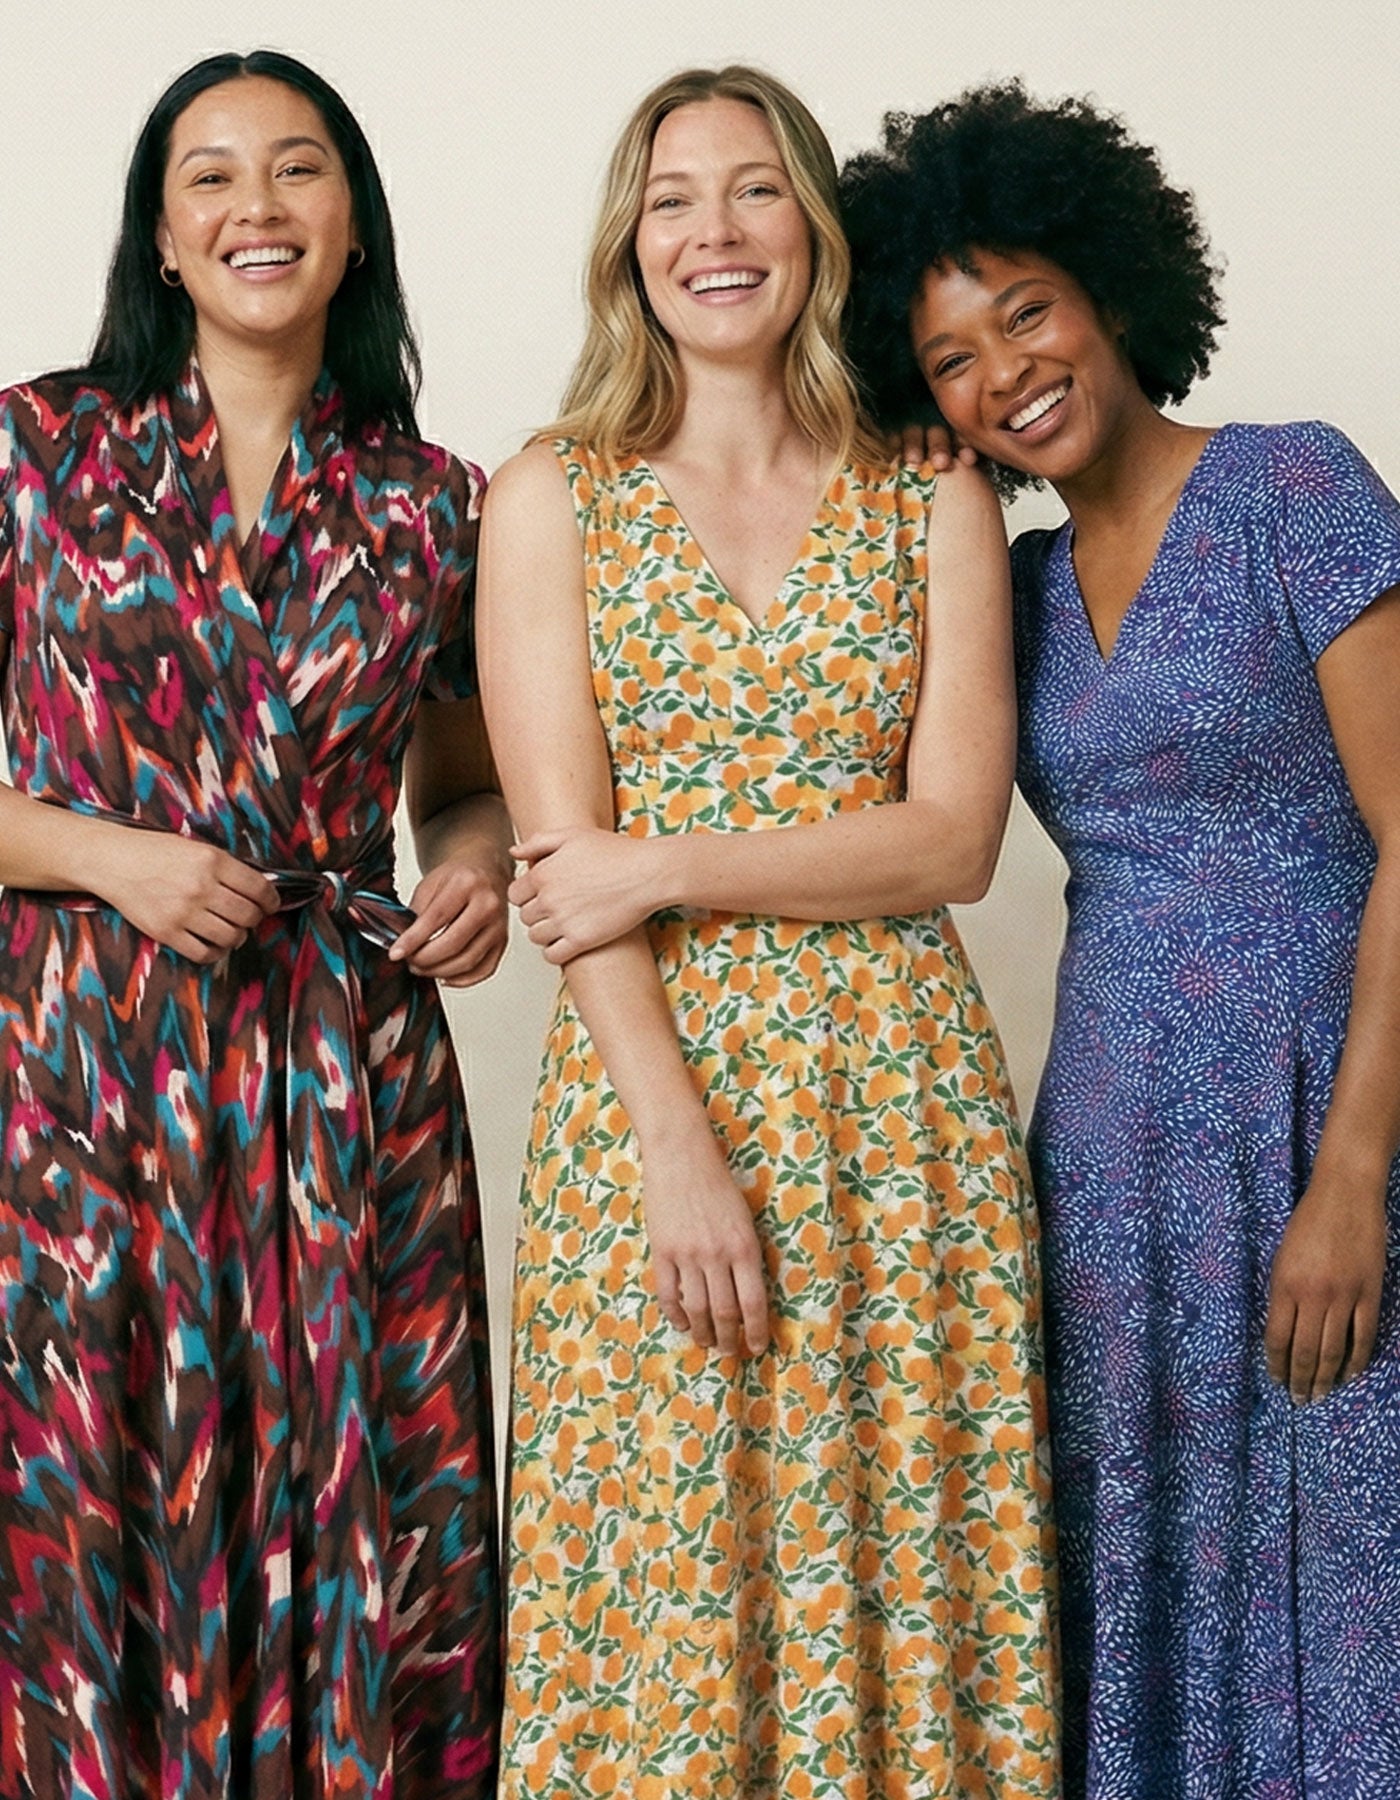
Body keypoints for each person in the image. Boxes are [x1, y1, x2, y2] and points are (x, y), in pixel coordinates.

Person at [479, 64, 1057, 1800]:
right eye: (672, 200)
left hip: (902, 1122)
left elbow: (951, 841)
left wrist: (663, 863)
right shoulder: (552, 495)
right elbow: (561, 876)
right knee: (667, 1596)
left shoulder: (933, 491)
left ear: (814, 228)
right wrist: (676, 1153)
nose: (714, 233)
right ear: (627, 245)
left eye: (754, 191)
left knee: (898, 1575)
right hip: (651, 1110)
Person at [840, 80, 1400, 1799]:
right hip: (1109, 1157)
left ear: (1111, 288)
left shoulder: (1295, 484)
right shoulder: (999, 593)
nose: (1006, 371)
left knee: (1346, 1549)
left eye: (1028, 312)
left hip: (1320, 1105)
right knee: (1133, 1569)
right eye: (949, 360)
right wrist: (906, 480)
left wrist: (1353, 1177)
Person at [0, 51, 505, 1798]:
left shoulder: (437, 500)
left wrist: (471, 870)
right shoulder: (33, 451)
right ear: (160, 235)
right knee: (98, 1486)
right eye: (209, 176)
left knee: (362, 1496)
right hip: (93, 1078)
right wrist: (105, 857)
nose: (256, 208)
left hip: (345, 1080)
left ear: (354, 223)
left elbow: (461, 784)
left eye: (298, 169)